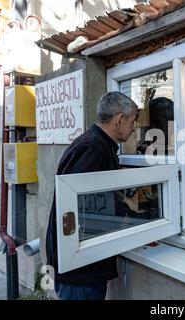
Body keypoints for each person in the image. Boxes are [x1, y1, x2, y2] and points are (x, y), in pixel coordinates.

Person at [45, 91, 138, 300]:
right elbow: (84, 206)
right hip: (79, 269)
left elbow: (98, 195)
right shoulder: (93, 147)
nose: (134, 128)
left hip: (82, 263)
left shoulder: (97, 144)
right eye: (133, 121)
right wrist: (128, 217)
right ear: (120, 119)